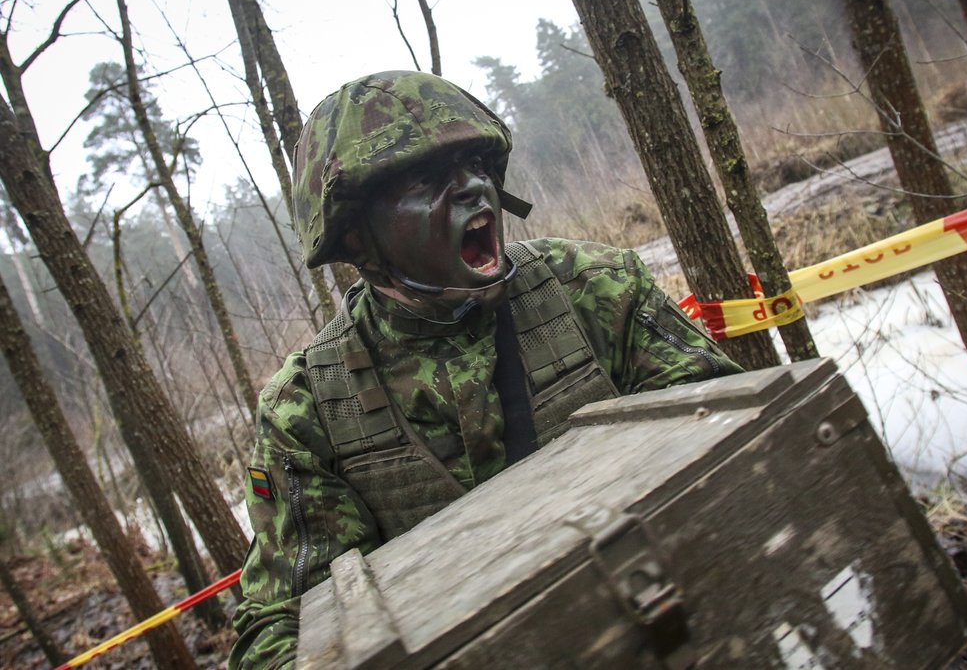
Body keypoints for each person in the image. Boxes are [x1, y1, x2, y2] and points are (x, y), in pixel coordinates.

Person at [229, 70, 740, 668]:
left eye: (474, 163)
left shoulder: (591, 288)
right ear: (356, 239)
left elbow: (725, 432)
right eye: (426, 180)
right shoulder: (308, 409)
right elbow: (283, 623)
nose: (473, 187)